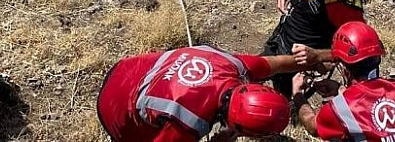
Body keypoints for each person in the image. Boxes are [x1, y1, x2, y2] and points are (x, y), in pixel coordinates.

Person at [97, 44, 323, 141]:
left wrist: (322, 57)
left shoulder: (231, 65)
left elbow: (277, 63)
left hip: (129, 67)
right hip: (114, 104)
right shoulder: (187, 124)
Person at [291, 22, 395, 141]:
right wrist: (341, 91)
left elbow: (312, 126)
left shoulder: (341, 107)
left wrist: (298, 95)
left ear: (344, 68)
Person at [262, 0, 365, 97]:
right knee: (256, 70)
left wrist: (319, 56)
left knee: (283, 100)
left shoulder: (343, 5)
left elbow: (356, 49)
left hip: (298, 59)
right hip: (282, 36)